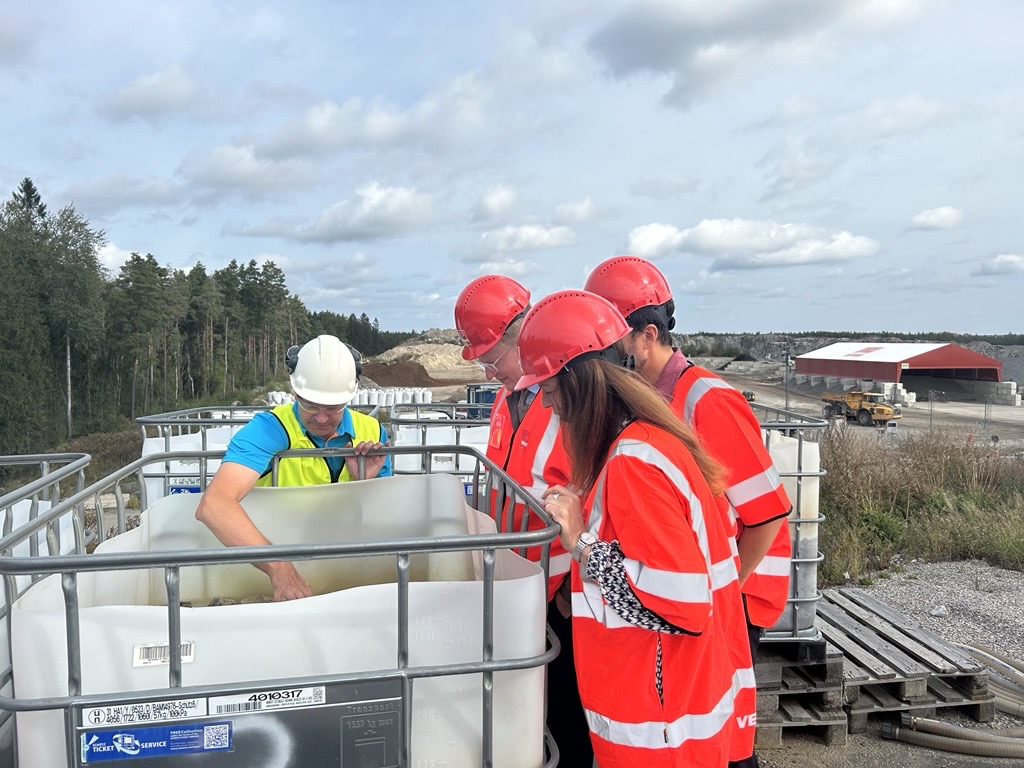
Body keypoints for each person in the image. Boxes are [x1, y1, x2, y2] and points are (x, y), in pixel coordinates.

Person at [517, 289, 755, 767]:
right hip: (669, 716)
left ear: (579, 382)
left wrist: (582, 543)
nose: (547, 406)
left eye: (548, 390)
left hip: (660, 729)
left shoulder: (634, 463)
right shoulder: (643, 443)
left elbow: (682, 605)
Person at [586, 255, 792, 768]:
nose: (605, 355)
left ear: (646, 335)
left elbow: (766, 514)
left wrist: (724, 592)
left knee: (720, 724)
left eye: (613, 342)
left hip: (735, 597)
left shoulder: (705, 401)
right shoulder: (651, 401)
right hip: (695, 594)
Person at [453, 275, 591, 765]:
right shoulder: (505, 400)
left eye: (493, 359)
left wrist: (572, 583)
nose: (490, 373)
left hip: (564, 590)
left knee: (569, 713)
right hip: (518, 582)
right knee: (532, 707)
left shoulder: (571, 402)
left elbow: (592, 498)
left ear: (525, 338)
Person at [195, 334, 390, 602]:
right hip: (265, 574)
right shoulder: (269, 429)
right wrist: (278, 567)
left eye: (333, 408)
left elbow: (386, 524)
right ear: (295, 392)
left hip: (346, 574)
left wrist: (363, 486)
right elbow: (214, 505)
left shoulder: (372, 432)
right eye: (310, 405)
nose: (321, 417)